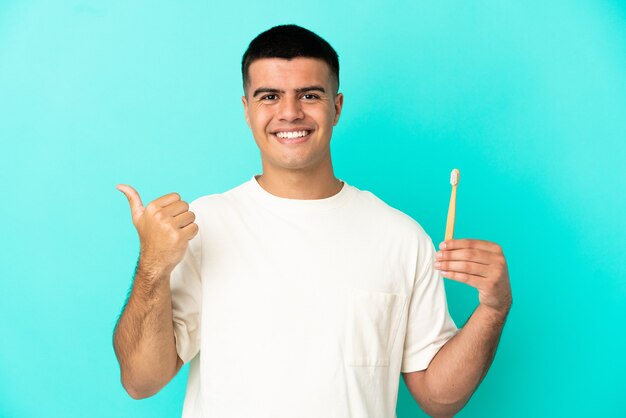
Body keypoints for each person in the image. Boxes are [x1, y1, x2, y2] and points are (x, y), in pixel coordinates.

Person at [113, 24, 512, 418]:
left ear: (336, 107)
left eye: (309, 95)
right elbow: (141, 381)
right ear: (247, 110)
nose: (290, 112)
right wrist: (153, 264)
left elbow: (438, 398)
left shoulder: (401, 237)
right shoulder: (204, 225)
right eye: (270, 96)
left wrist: (493, 309)